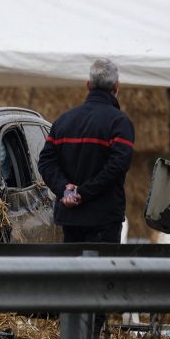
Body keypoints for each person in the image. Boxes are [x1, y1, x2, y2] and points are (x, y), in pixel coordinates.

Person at [38, 58, 135, 243]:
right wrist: (82, 193)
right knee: (100, 272)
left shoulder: (63, 121)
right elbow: (117, 166)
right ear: (116, 86)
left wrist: (65, 189)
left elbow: (45, 162)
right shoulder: (120, 123)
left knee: (71, 271)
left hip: (69, 218)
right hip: (104, 219)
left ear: (88, 85)